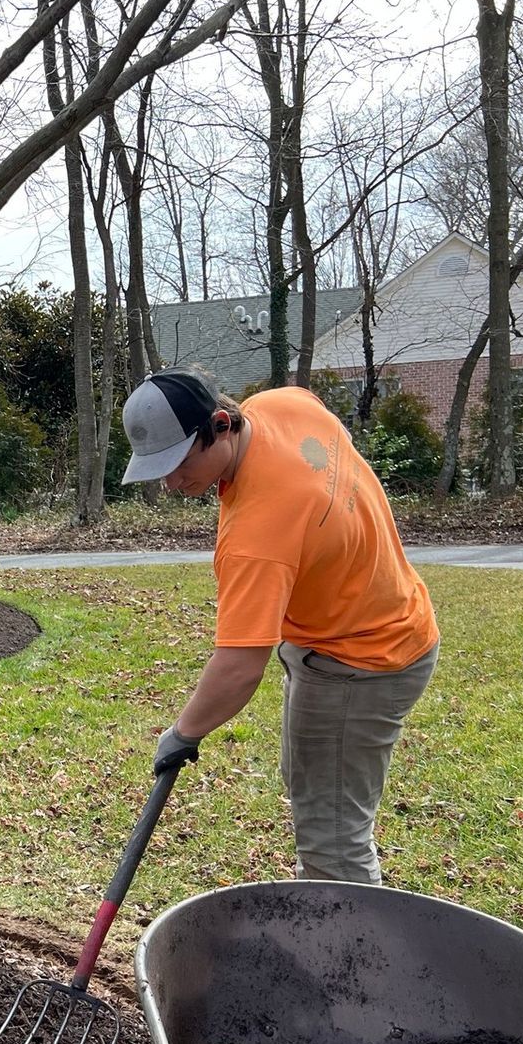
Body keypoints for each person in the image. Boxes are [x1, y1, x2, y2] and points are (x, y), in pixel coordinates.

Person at [121, 368, 439, 884]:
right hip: (386, 618)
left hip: (359, 661)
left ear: (220, 425)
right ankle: (321, 902)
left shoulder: (257, 534)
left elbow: (241, 666)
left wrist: (183, 733)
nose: (172, 483)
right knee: (318, 793)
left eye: (180, 463)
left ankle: (345, 950)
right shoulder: (282, 405)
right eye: (159, 469)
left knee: (333, 841)